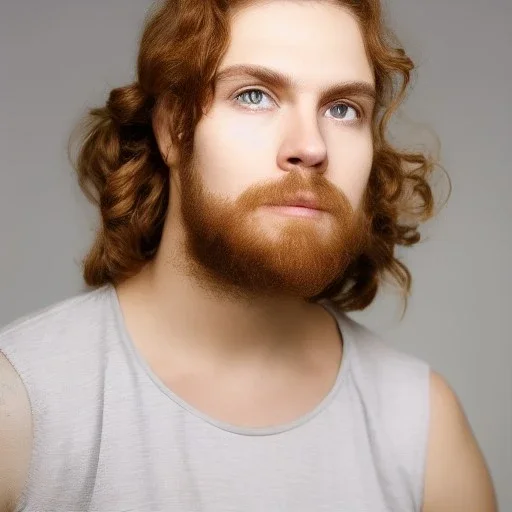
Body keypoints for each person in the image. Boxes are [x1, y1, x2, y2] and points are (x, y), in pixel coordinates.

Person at [0, 0, 498, 510]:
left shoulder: (423, 426)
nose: (311, 146)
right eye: (255, 95)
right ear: (173, 129)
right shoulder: (19, 406)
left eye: (342, 109)